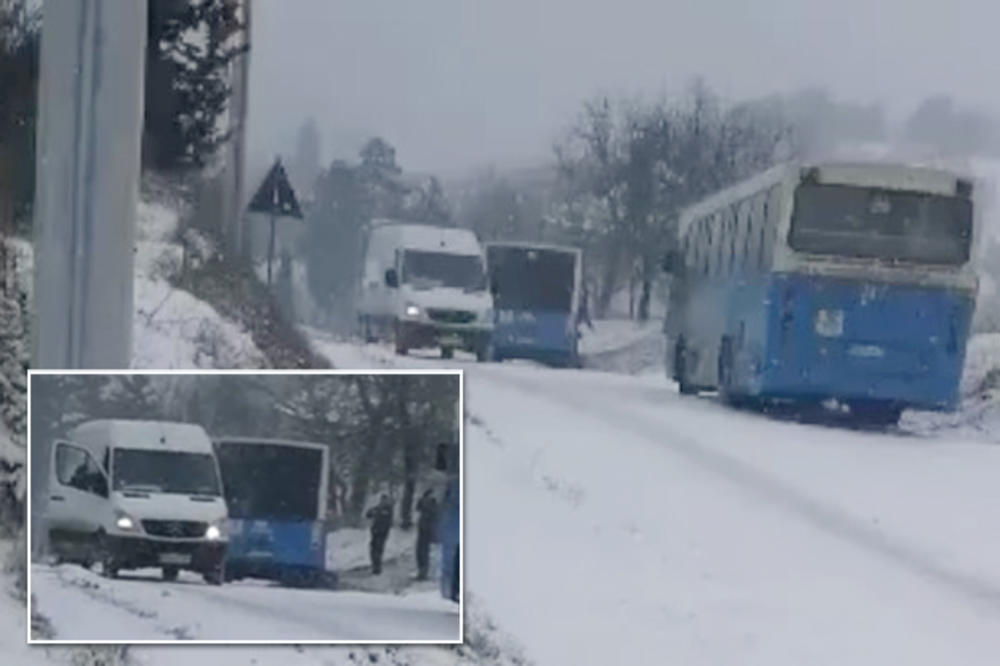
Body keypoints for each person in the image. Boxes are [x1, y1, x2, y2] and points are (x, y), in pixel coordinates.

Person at [365, 494, 393, 575]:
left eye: (385, 500)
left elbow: (387, 521)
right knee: (373, 549)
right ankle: (375, 565)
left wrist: (377, 512)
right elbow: (368, 515)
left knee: (378, 549)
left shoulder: (388, 509)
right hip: (375, 531)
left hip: (382, 532)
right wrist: (371, 511)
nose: (383, 502)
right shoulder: (377, 508)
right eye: (382, 500)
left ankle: (377, 567)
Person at [415, 489, 439, 580]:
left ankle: (423, 573)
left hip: (427, 531)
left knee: (423, 552)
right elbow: (418, 508)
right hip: (422, 530)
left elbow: (434, 516)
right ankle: (421, 572)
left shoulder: (433, 505)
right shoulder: (427, 504)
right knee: (419, 552)